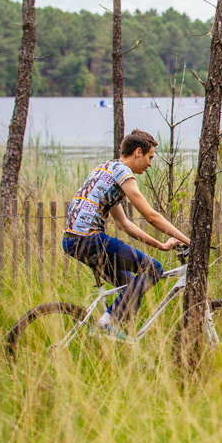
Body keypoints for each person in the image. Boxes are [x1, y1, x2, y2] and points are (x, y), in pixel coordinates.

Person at [62, 129, 191, 340]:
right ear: (138, 152)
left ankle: (123, 343)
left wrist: (162, 245)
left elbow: (124, 224)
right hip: (90, 239)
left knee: (132, 287)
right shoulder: (123, 172)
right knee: (153, 270)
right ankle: (106, 324)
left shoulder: (107, 169)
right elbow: (150, 215)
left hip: (71, 241)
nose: (150, 164)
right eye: (150, 158)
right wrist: (188, 240)